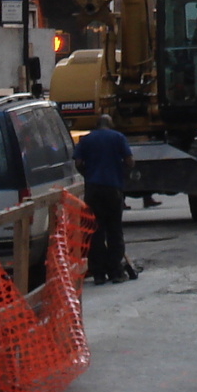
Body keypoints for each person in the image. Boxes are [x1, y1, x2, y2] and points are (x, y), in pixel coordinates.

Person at [74, 114, 135, 285]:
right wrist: (121, 172)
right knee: (114, 230)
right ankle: (115, 272)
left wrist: (88, 175)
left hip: (93, 190)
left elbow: (78, 163)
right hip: (113, 189)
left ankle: (98, 273)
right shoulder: (118, 137)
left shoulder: (86, 139)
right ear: (111, 124)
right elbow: (130, 161)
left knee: (95, 231)